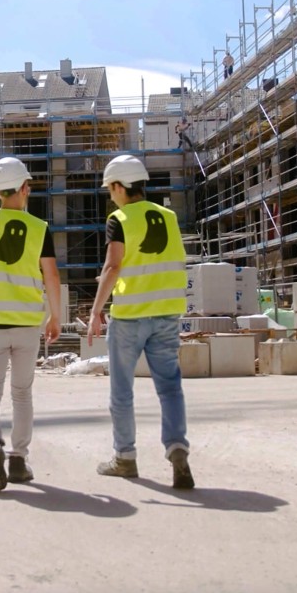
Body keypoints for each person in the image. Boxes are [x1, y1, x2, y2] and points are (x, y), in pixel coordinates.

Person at [86, 154, 194, 489]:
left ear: (119, 186)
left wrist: (95, 311)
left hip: (131, 316)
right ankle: (177, 449)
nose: (110, 196)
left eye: (110, 189)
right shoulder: (169, 216)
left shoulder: (119, 219)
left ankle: (125, 458)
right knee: (170, 387)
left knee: (122, 391)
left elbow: (113, 267)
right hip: (166, 315)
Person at [0, 156, 62, 491]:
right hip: (26, 324)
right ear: (23, 188)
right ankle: (18, 460)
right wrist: (55, 315)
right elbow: (51, 274)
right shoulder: (39, 227)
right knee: (22, 394)